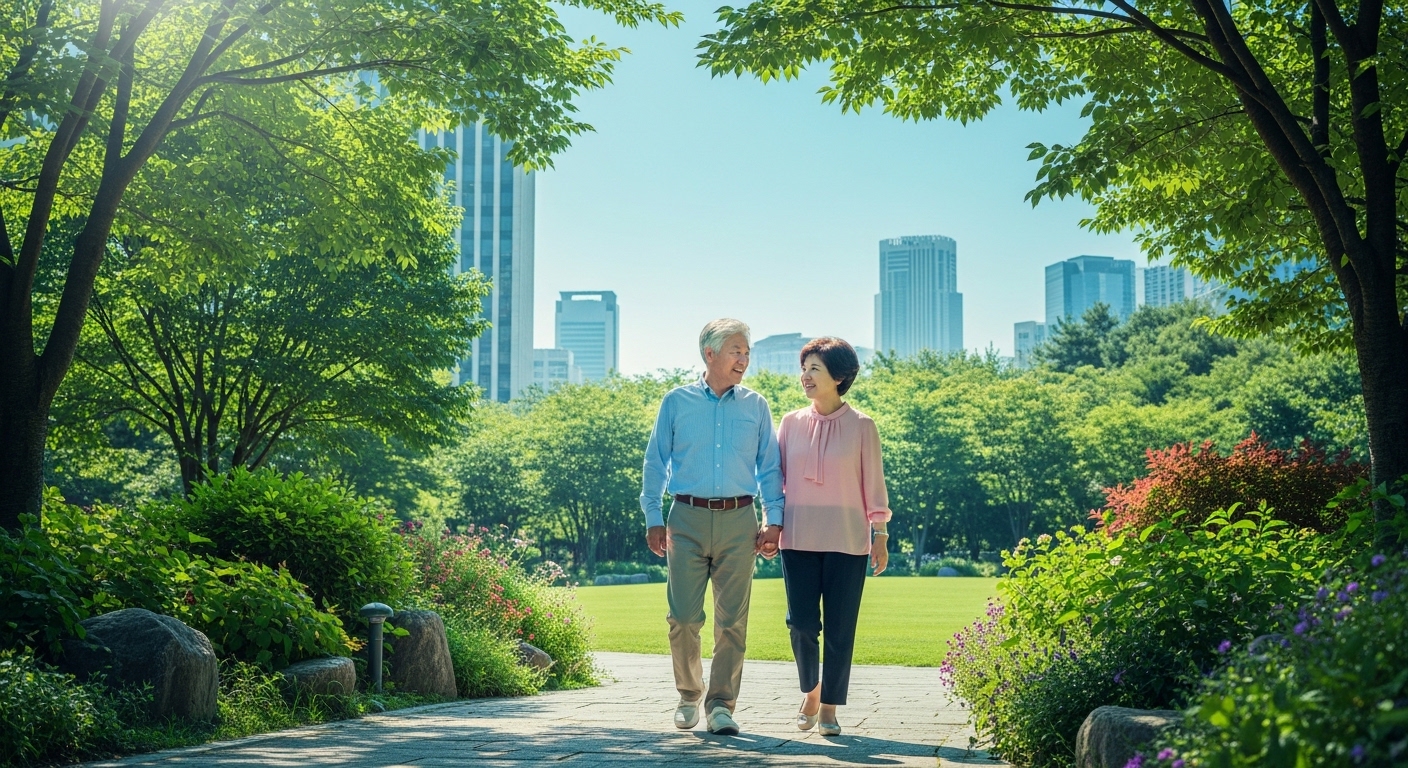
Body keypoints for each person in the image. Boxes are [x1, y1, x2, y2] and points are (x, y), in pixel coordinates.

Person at [640, 318, 785, 736]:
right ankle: (689, 695)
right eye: (736, 350)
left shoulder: (756, 406)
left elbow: (770, 468)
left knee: (732, 622)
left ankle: (721, 705)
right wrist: (653, 516)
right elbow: (656, 461)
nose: (744, 359)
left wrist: (773, 520)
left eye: (747, 352)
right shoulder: (676, 402)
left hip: (740, 520)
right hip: (685, 519)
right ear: (710, 353)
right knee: (684, 618)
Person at [771, 336, 890, 737]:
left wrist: (880, 532)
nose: (805, 376)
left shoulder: (862, 426)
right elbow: (775, 481)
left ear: (839, 377)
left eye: (814, 369)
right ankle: (812, 690)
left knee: (841, 630)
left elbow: (874, 484)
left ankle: (830, 708)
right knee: (800, 624)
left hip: (847, 541)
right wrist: (771, 522)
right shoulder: (789, 423)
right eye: (803, 368)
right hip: (797, 538)